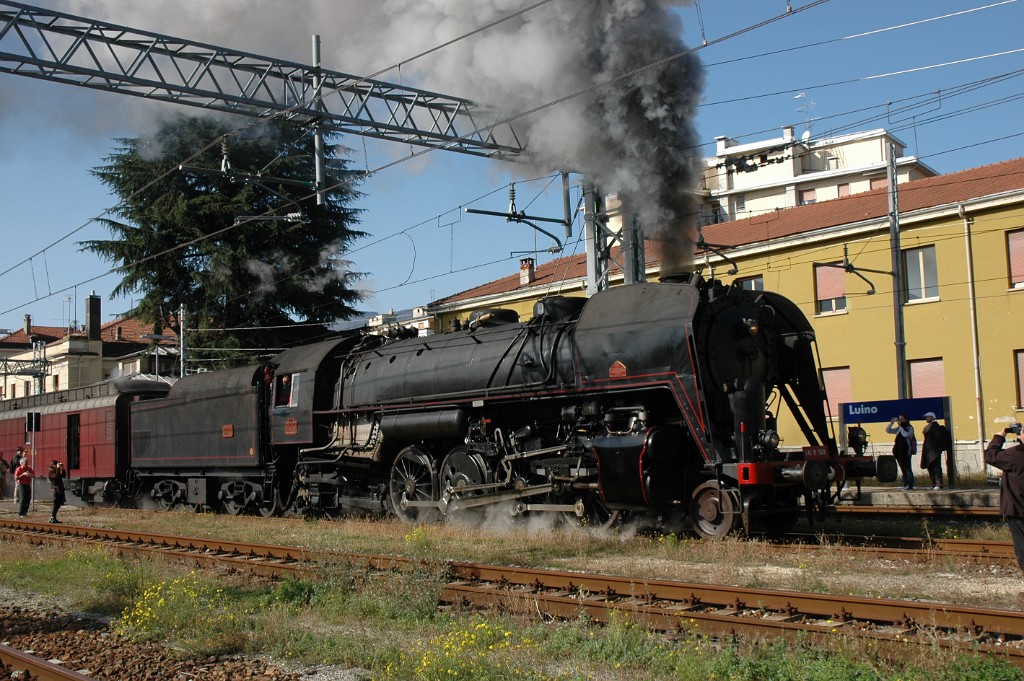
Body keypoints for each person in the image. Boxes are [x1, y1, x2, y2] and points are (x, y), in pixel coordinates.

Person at [984, 423, 1024, 574]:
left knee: (1022, 549)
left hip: (1017, 509)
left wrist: (999, 436)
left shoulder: (1015, 454)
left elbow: (990, 456)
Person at [920, 412, 951, 490]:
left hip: (934, 450)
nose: (926, 419)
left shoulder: (935, 427)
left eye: (928, 417)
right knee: (930, 466)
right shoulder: (929, 427)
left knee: (936, 467)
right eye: (926, 417)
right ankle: (934, 483)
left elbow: (938, 439)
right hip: (929, 450)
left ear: (932, 417)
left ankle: (939, 483)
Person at [886, 414, 917, 490]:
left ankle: (910, 484)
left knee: (908, 468)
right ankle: (905, 483)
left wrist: (900, 427)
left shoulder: (910, 428)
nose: (900, 420)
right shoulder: (899, 428)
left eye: (902, 419)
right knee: (902, 468)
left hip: (906, 451)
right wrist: (891, 423)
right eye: (899, 419)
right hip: (899, 451)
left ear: (906, 419)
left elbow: (905, 434)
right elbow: (888, 430)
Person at [13, 452, 34, 517]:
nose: (27, 464)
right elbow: (16, 478)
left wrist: (30, 475)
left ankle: (25, 512)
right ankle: (21, 513)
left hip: (28, 484)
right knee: (23, 499)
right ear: (21, 463)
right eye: (26, 463)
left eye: (27, 462)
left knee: (28, 498)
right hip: (21, 485)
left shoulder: (29, 468)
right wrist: (22, 475)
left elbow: (33, 475)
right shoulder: (19, 469)